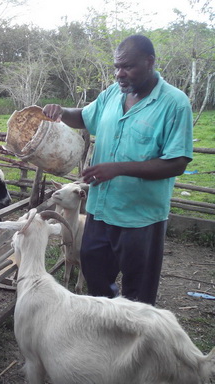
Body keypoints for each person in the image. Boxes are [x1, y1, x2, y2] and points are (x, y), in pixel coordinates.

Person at [43, 34, 193, 305]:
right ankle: (106, 336)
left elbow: (177, 163)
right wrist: (61, 112)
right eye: (116, 67)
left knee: (139, 293)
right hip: (100, 212)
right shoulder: (113, 94)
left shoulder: (174, 103)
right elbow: (86, 118)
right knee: (96, 282)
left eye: (127, 67)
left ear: (150, 62)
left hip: (141, 218)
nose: (119, 74)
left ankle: (135, 343)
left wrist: (119, 168)